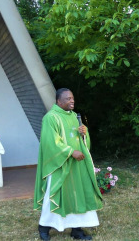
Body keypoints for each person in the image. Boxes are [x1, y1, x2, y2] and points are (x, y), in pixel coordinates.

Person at [33, 88, 103, 240]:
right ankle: (44, 227)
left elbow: (80, 139)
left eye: (72, 98)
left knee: (77, 195)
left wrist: (85, 133)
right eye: (68, 99)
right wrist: (71, 152)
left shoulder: (74, 116)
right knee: (56, 195)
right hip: (59, 165)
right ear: (58, 101)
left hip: (76, 165)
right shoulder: (50, 118)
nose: (72, 101)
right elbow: (50, 142)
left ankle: (77, 230)